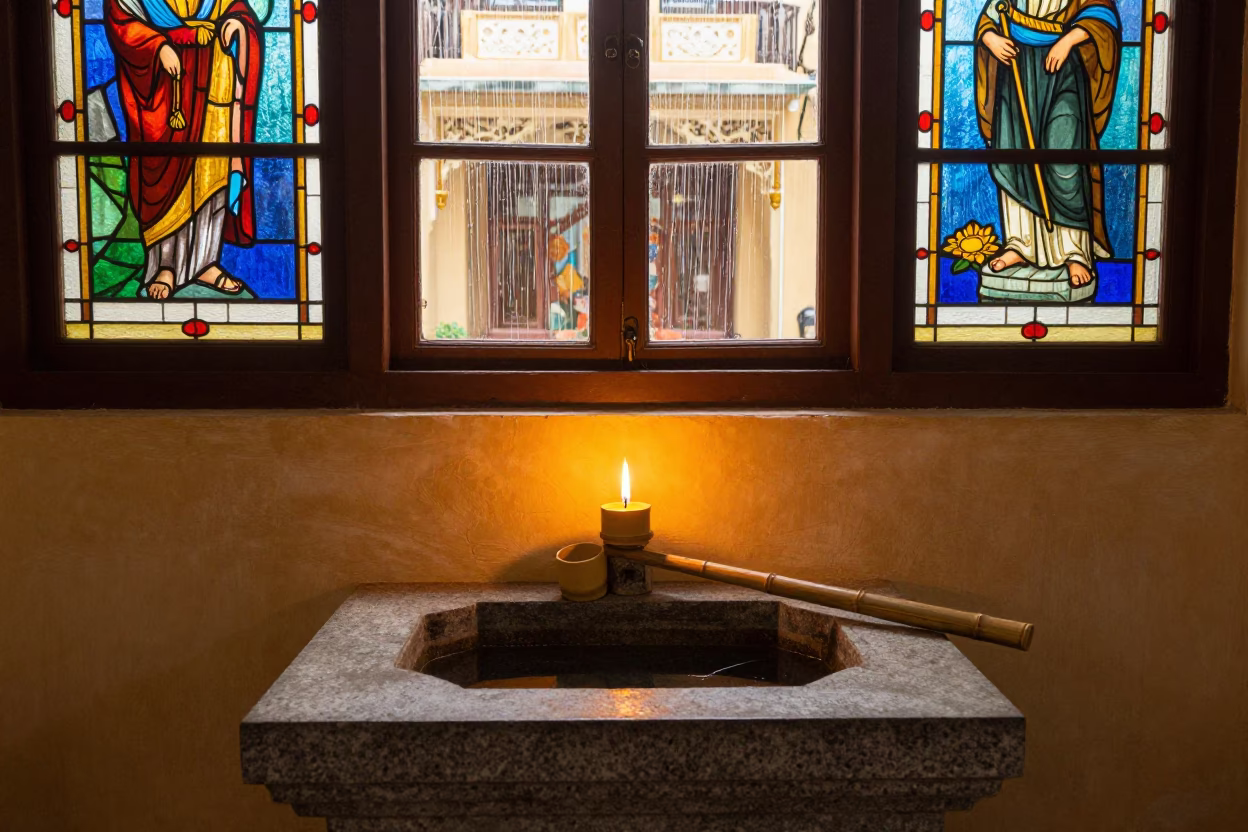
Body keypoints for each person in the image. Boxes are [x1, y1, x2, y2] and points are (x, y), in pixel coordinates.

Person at [105, 0, 263, 300]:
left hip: (215, 82)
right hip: (166, 91)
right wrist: (158, 46)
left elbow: (238, 10)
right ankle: (165, 265)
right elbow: (120, 18)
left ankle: (206, 262)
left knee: (213, 173)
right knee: (166, 177)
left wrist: (239, 25)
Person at [975, 0, 1121, 289]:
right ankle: (1020, 245)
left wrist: (1069, 39)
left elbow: (1103, 14)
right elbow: (992, 14)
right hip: (1016, 65)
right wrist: (990, 38)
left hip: (1062, 67)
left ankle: (1074, 251)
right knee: (1014, 156)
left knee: (1064, 156)